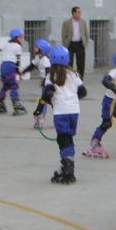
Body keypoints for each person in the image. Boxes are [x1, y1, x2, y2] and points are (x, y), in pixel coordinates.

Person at [33, 45, 87, 184]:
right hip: (74, 111)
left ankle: (68, 169)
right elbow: (83, 92)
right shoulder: (74, 75)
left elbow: (46, 95)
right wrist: (71, 97)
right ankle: (69, 167)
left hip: (61, 112)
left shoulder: (51, 77)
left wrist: (38, 110)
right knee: (68, 138)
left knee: (63, 140)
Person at [0, 28, 27, 116]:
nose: (21, 38)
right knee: (13, 86)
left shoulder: (7, 44)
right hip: (11, 66)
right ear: (16, 37)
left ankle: (0, 105)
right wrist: (18, 70)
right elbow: (18, 60)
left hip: (3, 67)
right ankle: (17, 107)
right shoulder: (18, 46)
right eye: (20, 37)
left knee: (6, 86)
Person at [21, 38, 52, 128]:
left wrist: (44, 82)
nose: (34, 48)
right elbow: (32, 66)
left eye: (36, 47)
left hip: (49, 82)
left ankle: (41, 118)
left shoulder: (45, 59)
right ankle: (41, 117)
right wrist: (23, 71)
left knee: (44, 100)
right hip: (45, 81)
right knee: (45, 100)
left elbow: (48, 72)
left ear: (42, 49)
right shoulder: (38, 57)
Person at [61, 6, 89, 80]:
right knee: (69, 63)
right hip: (70, 44)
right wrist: (65, 44)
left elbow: (86, 33)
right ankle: (69, 78)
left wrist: (85, 42)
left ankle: (80, 79)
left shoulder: (83, 22)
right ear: (74, 13)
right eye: (78, 12)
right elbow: (64, 35)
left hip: (80, 44)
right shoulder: (67, 22)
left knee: (81, 63)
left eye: (80, 12)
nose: (80, 14)